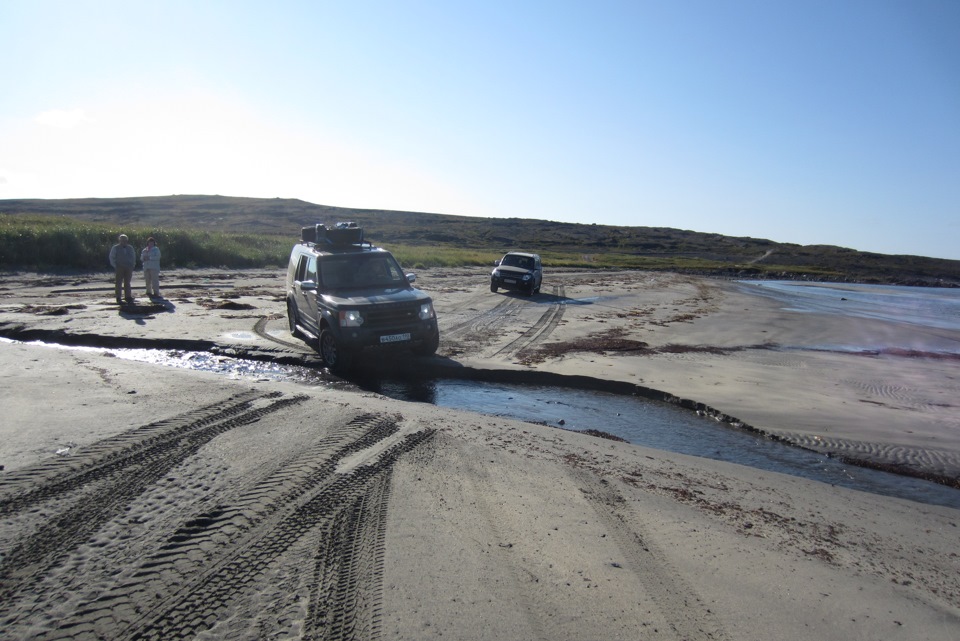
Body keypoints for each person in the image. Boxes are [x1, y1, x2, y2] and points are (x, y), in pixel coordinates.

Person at [109, 234, 136, 304]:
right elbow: (111, 257)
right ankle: (118, 297)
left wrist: (132, 265)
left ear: (127, 241)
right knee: (118, 283)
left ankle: (128, 296)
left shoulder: (130, 248)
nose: (123, 241)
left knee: (127, 282)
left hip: (128, 267)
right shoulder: (115, 248)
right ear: (119, 240)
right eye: (122, 240)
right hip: (119, 267)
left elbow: (133, 257)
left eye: (125, 240)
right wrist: (115, 266)